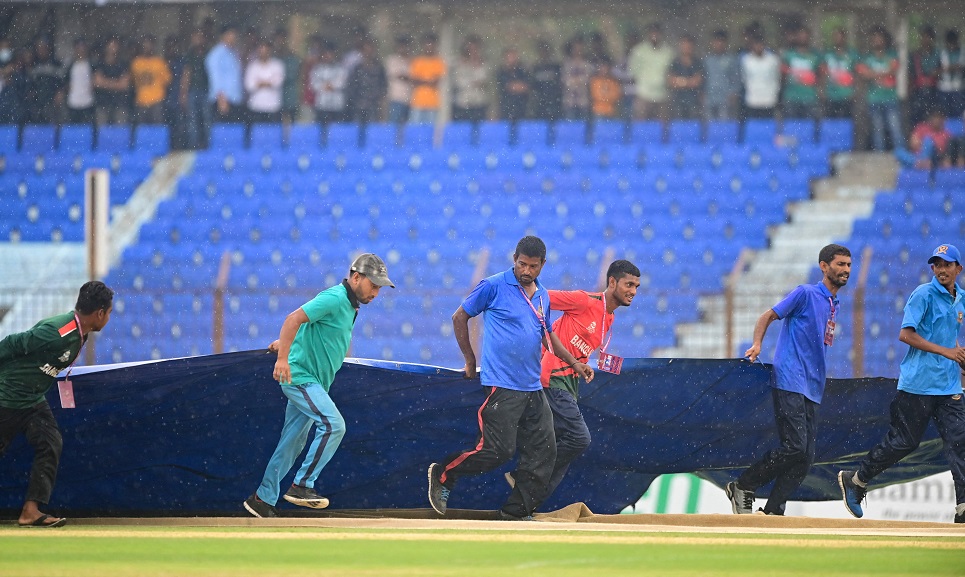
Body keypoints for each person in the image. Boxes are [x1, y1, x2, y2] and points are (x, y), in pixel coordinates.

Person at [427, 236, 595, 521]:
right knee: (498, 451)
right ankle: (444, 474)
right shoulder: (493, 286)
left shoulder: (542, 296)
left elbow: (548, 335)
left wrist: (575, 364)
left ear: (543, 265)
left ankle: (515, 511)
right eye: (521, 264)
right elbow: (459, 317)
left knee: (546, 451)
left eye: (532, 266)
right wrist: (470, 359)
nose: (526, 271)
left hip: (532, 387)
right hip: (502, 384)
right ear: (514, 259)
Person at [244, 254, 395, 518]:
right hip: (301, 378)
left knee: (291, 443)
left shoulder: (350, 305)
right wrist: (283, 358)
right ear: (356, 277)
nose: (376, 293)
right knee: (334, 425)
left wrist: (286, 344)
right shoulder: (335, 298)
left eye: (380, 287)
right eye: (374, 285)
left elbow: (312, 327)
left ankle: (262, 499)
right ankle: (302, 486)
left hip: (314, 382)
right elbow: (294, 319)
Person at [838, 244, 965, 525]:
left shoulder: (961, 299)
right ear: (932, 268)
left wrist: (959, 360)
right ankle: (857, 479)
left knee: (960, 443)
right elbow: (905, 335)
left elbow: (950, 337)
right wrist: (947, 352)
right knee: (904, 443)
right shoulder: (923, 294)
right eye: (937, 265)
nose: (941, 270)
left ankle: (963, 508)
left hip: (949, 387)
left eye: (947, 265)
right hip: (918, 384)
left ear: (959, 269)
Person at [726, 244, 852, 516]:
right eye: (840, 264)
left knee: (805, 457)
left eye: (849, 265)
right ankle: (744, 485)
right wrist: (757, 344)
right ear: (823, 266)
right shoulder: (805, 293)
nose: (846, 270)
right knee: (795, 447)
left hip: (813, 385)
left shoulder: (834, 304)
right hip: (790, 377)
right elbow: (767, 315)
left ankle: (772, 510)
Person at [518, 260, 640, 503]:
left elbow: (580, 346)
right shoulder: (585, 300)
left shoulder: (609, 318)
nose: (633, 291)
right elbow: (541, 297)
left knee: (562, 445)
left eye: (637, 286)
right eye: (629, 284)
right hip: (552, 378)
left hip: (570, 384)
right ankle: (529, 478)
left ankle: (526, 503)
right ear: (612, 282)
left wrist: (584, 366)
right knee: (578, 438)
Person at [0, 281, 114, 528]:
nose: (109, 318)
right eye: (110, 312)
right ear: (100, 313)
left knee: (51, 442)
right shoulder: (57, 332)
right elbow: (11, 344)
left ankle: (30, 511)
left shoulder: (78, 332)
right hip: (7, 397)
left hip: (32, 399)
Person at [857, 26, 902, 151]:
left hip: (890, 98)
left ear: (885, 40)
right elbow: (863, 74)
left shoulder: (892, 55)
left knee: (895, 128)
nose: (876, 40)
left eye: (879, 38)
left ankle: (901, 157)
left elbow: (894, 71)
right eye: (874, 38)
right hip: (873, 99)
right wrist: (884, 73)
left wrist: (873, 74)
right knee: (878, 130)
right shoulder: (865, 57)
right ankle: (879, 157)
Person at [628, 22, 674, 120]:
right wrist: (645, 83)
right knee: (641, 127)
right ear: (648, 34)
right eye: (652, 32)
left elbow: (672, 73)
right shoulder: (638, 51)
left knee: (663, 128)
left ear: (661, 34)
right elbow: (633, 72)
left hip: (663, 95)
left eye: (657, 32)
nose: (654, 35)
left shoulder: (668, 52)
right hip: (644, 95)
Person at [780, 25, 821, 120]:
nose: (802, 38)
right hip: (791, 97)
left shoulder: (815, 56)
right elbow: (783, 75)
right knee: (791, 128)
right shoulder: (788, 55)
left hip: (809, 98)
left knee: (809, 127)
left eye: (805, 36)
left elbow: (820, 75)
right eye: (800, 36)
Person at [130, 35, 172, 125]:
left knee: (157, 128)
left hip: (157, 101)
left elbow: (167, 81)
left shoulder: (160, 62)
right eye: (145, 45)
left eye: (149, 44)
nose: (147, 47)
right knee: (142, 129)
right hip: (141, 101)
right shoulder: (136, 63)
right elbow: (132, 81)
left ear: (153, 46)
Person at [205, 25, 244, 123]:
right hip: (223, 100)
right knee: (222, 133)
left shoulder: (234, 53)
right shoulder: (216, 54)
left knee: (234, 131)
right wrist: (221, 99)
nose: (233, 37)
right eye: (231, 34)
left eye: (235, 35)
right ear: (223, 36)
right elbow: (215, 77)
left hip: (234, 99)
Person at [179, 29, 209, 149]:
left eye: (200, 37)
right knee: (192, 120)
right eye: (195, 37)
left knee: (207, 119)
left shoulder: (208, 53)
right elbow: (186, 74)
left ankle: (207, 146)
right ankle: (193, 146)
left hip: (206, 91)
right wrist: (183, 93)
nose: (198, 40)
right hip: (192, 91)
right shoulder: (189, 54)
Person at [739, 32, 781, 119]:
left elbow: (777, 78)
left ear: (764, 45)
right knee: (754, 126)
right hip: (752, 100)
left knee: (768, 125)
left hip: (769, 99)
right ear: (752, 46)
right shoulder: (746, 60)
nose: (758, 47)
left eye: (760, 44)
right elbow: (744, 78)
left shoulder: (773, 60)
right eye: (756, 44)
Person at [345, 39, 387, 126]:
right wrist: (354, 101)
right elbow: (351, 86)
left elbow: (383, 85)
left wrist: (380, 101)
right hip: (358, 106)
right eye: (366, 50)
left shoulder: (379, 68)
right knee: (356, 130)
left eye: (370, 49)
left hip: (374, 106)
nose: (368, 52)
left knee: (373, 131)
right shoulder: (357, 68)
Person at [244, 38, 285, 124]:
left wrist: (260, 82)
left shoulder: (278, 65)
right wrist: (268, 82)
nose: (263, 52)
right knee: (256, 135)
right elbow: (249, 86)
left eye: (266, 50)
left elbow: (278, 83)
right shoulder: (252, 66)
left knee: (273, 135)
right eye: (261, 49)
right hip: (256, 107)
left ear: (270, 50)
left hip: (273, 107)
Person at [408, 34, 446, 124]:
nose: (429, 47)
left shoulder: (439, 62)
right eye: (427, 44)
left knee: (430, 131)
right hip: (417, 102)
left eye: (431, 44)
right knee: (415, 129)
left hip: (432, 103)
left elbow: (436, 82)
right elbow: (414, 81)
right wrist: (428, 81)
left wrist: (422, 80)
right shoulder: (417, 61)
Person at [908, 25, 941, 128]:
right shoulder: (915, 55)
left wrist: (937, 73)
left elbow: (942, 70)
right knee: (917, 119)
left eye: (929, 37)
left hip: (934, 91)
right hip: (918, 91)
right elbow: (910, 75)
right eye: (924, 36)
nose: (926, 40)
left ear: (933, 39)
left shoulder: (938, 54)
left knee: (932, 118)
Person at [451, 36, 490, 123]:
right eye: (470, 48)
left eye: (475, 48)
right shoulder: (459, 64)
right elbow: (458, 82)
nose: (473, 51)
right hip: (462, 103)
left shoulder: (484, 64)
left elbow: (483, 81)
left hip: (479, 103)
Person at [93, 37, 131, 126]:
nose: (112, 48)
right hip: (102, 103)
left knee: (120, 133)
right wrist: (116, 83)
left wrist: (105, 82)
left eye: (115, 45)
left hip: (120, 104)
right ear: (106, 47)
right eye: (111, 45)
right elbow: (97, 83)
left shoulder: (123, 64)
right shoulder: (99, 64)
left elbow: (124, 85)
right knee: (102, 133)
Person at [703, 29, 739, 121]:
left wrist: (733, 92)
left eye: (722, 41)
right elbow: (704, 79)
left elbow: (735, 78)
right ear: (712, 43)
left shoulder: (731, 60)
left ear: (726, 42)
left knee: (723, 126)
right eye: (716, 41)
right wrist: (703, 93)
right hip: (710, 98)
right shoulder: (707, 60)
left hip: (725, 99)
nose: (719, 44)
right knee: (710, 124)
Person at [822, 28, 858, 119]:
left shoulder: (852, 55)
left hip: (847, 95)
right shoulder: (827, 54)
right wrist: (822, 91)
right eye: (835, 36)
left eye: (839, 36)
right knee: (831, 122)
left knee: (847, 122)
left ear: (844, 38)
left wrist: (855, 91)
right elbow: (822, 74)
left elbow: (857, 74)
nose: (837, 39)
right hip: (831, 95)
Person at [310, 40, 348, 128]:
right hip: (322, 104)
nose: (328, 56)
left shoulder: (341, 68)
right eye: (326, 54)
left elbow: (342, 83)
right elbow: (313, 84)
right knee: (320, 129)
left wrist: (330, 86)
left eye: (330, 54)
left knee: (336, 130)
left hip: (337, 105)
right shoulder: (317, 69)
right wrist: (326, 86)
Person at [27, 37, 64, 124]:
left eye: (44, 48)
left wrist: (60, 91)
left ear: (49, 48)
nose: (41, 51)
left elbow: (62, 82)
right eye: (39, 48)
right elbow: (31, 83)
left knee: (53, 126)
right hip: (37, 103)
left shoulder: (57, 64)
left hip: (52, 104)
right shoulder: (34, 65)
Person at [667, 34, 703, 120]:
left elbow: (697, 82)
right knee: (677, 128)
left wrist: (680, 81)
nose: (686, 47)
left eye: (689, 44)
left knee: (693, 128)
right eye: (684, 44)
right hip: (677, 102)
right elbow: (671, 82)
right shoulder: (675, 62)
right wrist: (688, 82)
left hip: (694, 102)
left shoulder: (697, 62)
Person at [273, 29, 301, 126]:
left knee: (292, 124)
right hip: (274, 98)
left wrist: (274, 79)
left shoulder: (292, 58)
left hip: (289, 95)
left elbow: (291, 75)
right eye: (277, 39)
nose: (279, 42)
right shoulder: (272, 57)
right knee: (274, 125)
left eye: (282, 39)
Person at [529, 40, 562, 121]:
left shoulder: (555, 67)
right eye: (542, 51)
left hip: (554, 101)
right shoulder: (535, 68)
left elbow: (560, 83)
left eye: (545, 51)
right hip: (540, 102)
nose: (543, 53)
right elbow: (532, 85)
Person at [65, 38, 95, 125]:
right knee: (74, 128)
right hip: (73, 102)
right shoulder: (70, 64)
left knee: (87, 128)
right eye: (78, 48)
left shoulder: (91, 64)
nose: (81, 51)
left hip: (88, 102)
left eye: (83, 48)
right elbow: (65, 80)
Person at [561, 37, 592, 120]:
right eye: (576, 48)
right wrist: (579, 80)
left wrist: (575, 80)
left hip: (583, 101)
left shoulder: (587, 64)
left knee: (583, 126)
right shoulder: (567, 64)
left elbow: (588, 80)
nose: (578, 50)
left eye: (580, 48)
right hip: (569, 101)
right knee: (570, 127)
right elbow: (565, 80)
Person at [384, 35, 412, 124]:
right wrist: (408, 77)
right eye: (401, 46)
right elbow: (398, 75)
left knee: (407, 128)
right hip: (396, 98)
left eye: (405, 46)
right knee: (393, 126)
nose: (403, 48)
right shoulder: (392, 60)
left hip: (409, 99)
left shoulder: (412, 61)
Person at [497, 48, 529, 123]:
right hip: (506, 109)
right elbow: (508, 86)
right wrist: (518, 86)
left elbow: (526, 87)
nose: (512, 59)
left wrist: (516, 86)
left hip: (522, 108)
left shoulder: (523, 71)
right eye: (509, 57)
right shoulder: (501, 72)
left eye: (513, 56)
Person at [938, 29, 965, 119]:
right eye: (950, 42)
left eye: (954, 42)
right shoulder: (942, 53)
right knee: (944, 114)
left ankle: (957, 132)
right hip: (944, 88)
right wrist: (946, 69)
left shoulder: (962, 52)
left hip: (959, 88)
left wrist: (960, 68)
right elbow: (936, 70)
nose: (952, 45)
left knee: (958, 113)